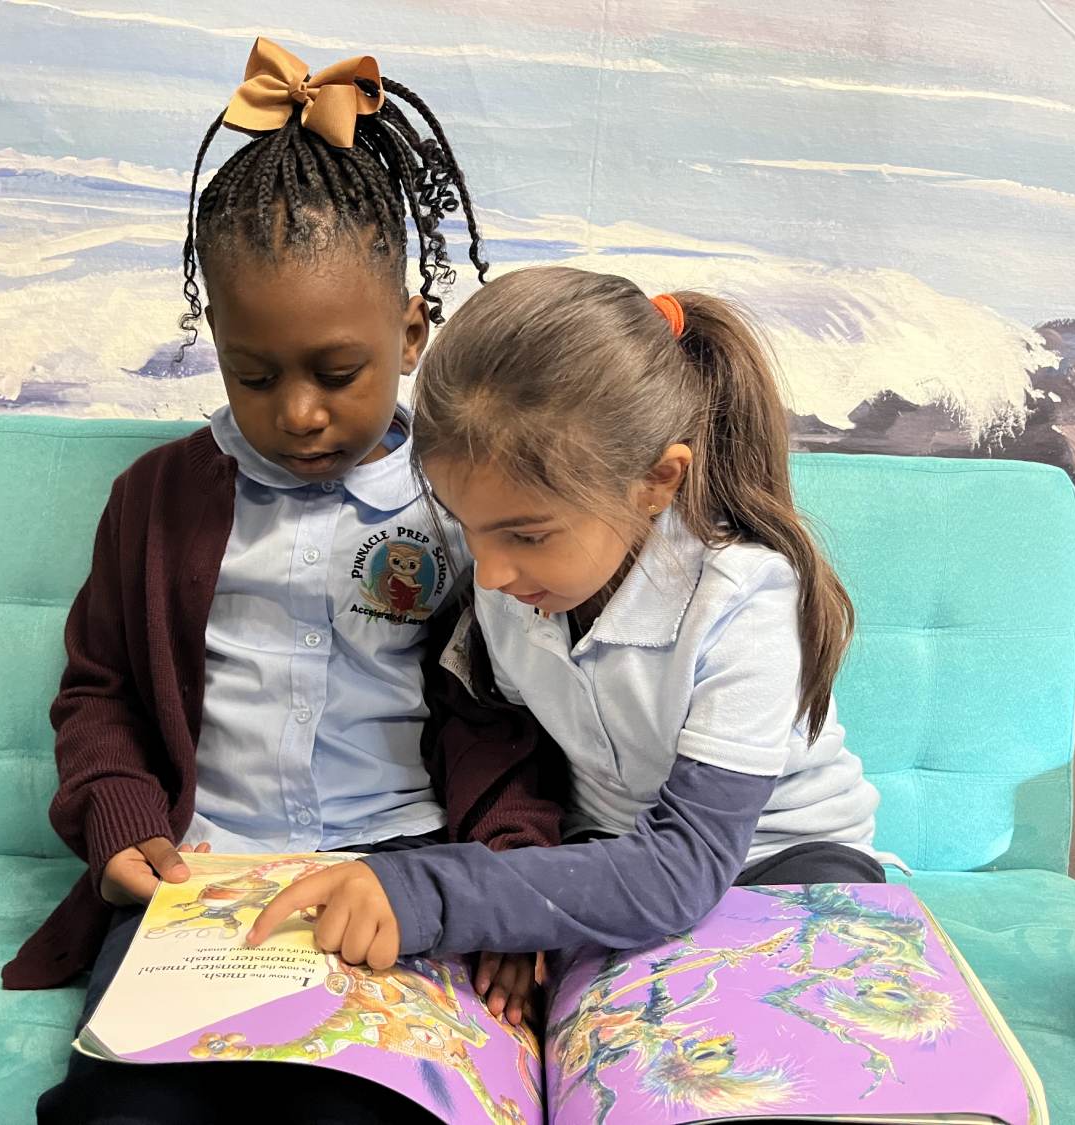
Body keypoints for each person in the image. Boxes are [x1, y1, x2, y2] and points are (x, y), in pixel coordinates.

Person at [0, 39, 561, 1123]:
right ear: (214, 340)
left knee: (382, 1106)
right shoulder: (157, 500)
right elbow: (100, 689)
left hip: (402, 870)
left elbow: (516, 712)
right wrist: (121, 822)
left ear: (410, 334)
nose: (297, 412)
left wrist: (508, 875)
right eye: (255, 376)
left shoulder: (462, 508)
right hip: (200, 876)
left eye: (336, 374)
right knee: (126, 1111)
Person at [251, 265, 886, 969]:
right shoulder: (513, 587)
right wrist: (515, 899)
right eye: (468, 525)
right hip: (608, 861)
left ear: (655, 482)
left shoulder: (743, 602)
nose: (487, 574)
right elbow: (516, 758)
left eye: (527, 535)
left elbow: (684, 866)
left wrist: (436, 893)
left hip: (783, 864)